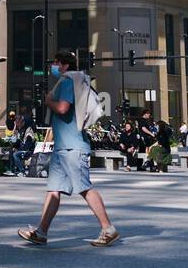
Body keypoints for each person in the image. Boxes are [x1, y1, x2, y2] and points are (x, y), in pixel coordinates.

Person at [17, 50, 120, 248]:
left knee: (84, 188)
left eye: (55, 63)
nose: (52, 66)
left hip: (72, 147)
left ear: (64, 65)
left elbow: (63, 108)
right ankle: (41, 232)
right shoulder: (73, 81)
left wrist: (48, 101)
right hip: (63, 148)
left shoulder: (67, 82)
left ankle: (108, 229)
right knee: (54, 190)